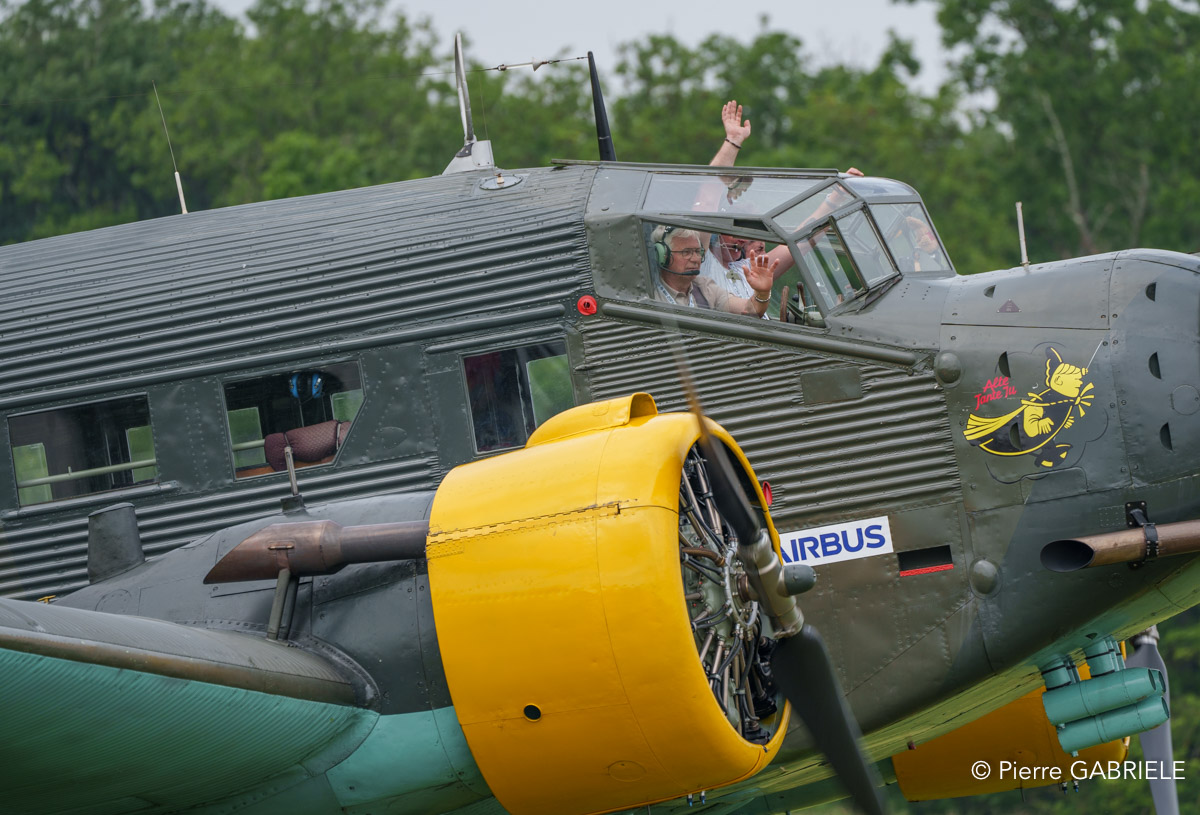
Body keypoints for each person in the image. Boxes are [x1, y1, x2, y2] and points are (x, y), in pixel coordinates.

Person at [652, 225, 777, 316]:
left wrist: (762, 292)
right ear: (663, 255)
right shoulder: (648, 293)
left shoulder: (705, 287)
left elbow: (750, 310)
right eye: (687, 252)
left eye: (697, 252)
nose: (696, 259)